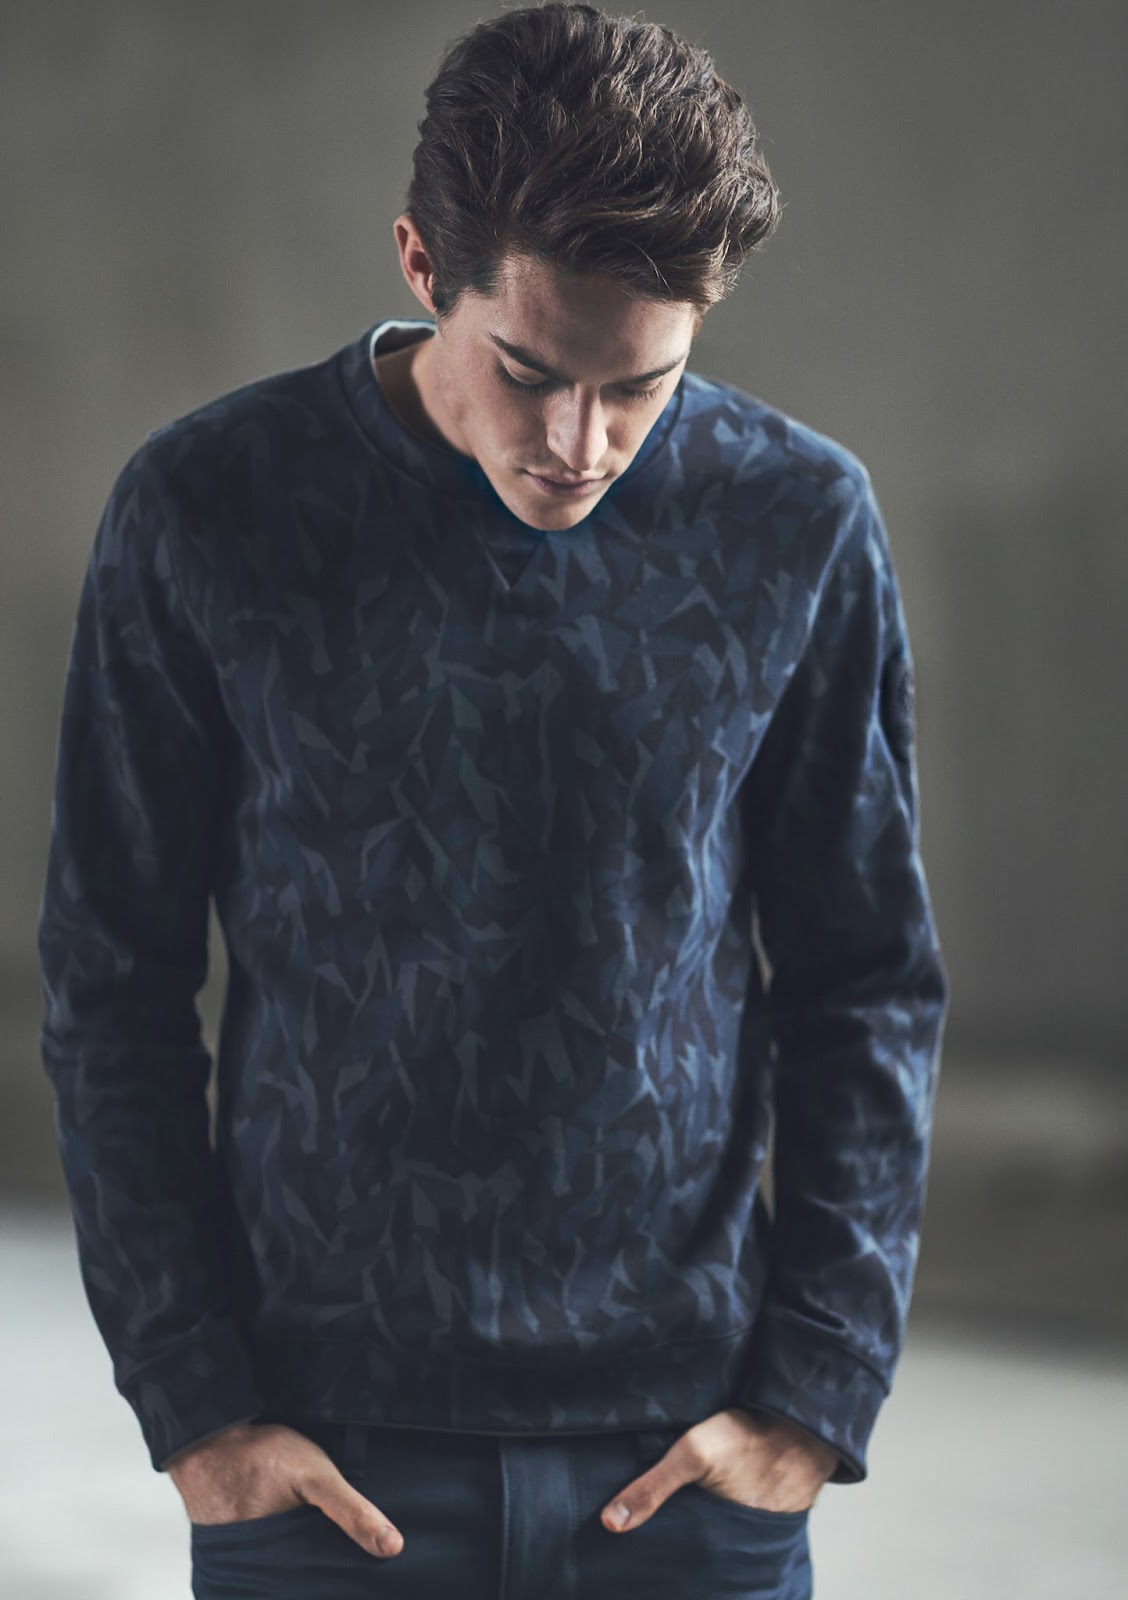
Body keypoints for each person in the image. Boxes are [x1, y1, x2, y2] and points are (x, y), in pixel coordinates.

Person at [37, 4, 948, 1597]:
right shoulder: (210, 506)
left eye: (642, 387)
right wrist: (198, 1412)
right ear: (419, 262)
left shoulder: (797, 523)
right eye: (530, 373)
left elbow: (866, 981)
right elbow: (110, 979)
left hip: (687, 1466)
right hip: (320, 1465)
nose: (581, 445)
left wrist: (812, 1399)